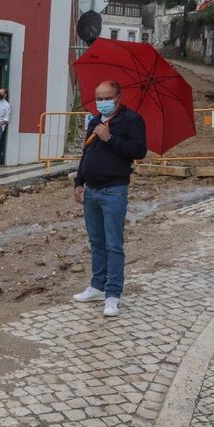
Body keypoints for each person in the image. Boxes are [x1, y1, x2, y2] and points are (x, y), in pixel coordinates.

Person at [73, 81, 148, 317]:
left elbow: (139, 151)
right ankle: (97, 286)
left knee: (114, 245)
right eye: (99, 98)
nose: (102, 102)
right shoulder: (95, 121)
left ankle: (112, 294)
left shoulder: (131, 120)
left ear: (118, 97)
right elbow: (86, 153)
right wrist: (79, 182)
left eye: (107, 98)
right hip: (91, 191)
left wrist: (109, 138)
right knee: (96, 242)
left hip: (114, 191)